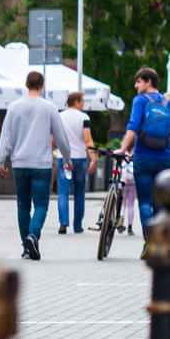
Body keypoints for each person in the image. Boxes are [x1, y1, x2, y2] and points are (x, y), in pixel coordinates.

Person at [0, 71, 77, 260]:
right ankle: (33, 235)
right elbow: (61, 137)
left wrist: (0, 161)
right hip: (41, 164)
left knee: (23, 205)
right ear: (42, 86)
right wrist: (67, 159)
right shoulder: (49, 108)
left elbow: (5, 137)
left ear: (26, 85)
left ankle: (26, 247)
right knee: (41, 205)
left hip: (20, 164)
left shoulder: (14, 107)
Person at [117, 67, 170, 226]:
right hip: (164, 160)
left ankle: (150, 242)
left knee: (145, 202)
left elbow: (133, 127)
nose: (136, 86)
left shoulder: (140, 100)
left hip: (144, 158)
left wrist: (123, 149)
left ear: (149, 82)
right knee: (160, 203)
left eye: (138, 82)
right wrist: (166, 145)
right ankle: (160, 241)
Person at [55, 91, 96, 234]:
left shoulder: (59, 116)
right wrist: (93, 158)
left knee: (63, 191)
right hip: (79, 158)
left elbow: (54, 138)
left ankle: (63, 223)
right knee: (79, 192)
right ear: (76, 102)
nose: (84, 103)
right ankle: (77, 225)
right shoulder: (84, 117)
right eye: (82, 101)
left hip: (63, 158)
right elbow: (87, 139)